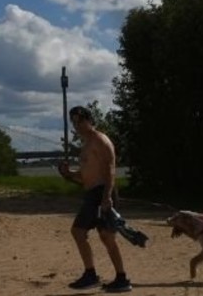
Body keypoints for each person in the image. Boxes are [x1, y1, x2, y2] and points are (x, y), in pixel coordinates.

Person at [58, 106, 132, 292]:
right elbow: (85, 177)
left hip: (102, 192)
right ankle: (120, 279)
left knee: (79, 231)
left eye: (80, 121)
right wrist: (68, 174)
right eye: (74, 122)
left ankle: (93, 275)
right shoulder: (86, 144)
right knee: (106, 237)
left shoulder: (99, 140)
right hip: (94, 193)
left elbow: (110, 169)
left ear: (90, 120)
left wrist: (107, 196)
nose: (78, 125)